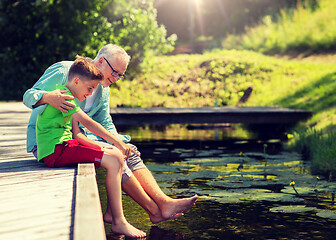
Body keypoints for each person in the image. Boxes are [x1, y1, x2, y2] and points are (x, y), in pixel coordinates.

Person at [23, 44, 198, 224]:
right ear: (100, 61)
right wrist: (48, 97)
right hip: (50, 143)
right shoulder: (66, 71)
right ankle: (152, 210)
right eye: (115, 72)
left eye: (121, 75)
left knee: (127, 151)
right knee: (114, 156)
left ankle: (164, 202)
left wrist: (121, 143)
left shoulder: (103, 87)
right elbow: (29, 95)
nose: (116, 78)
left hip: (77, 136)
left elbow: (103, 120)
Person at [35, 56, 146, 238]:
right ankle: (118, 222)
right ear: (76, 81)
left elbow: (77, 134)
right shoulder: (65, 96)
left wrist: (107, 147)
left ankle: (113, 213)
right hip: (55, 151)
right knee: (113, 160)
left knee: (115, 156)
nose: (90, 93)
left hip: (64, 146)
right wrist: (117, 142)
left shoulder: (70, 96)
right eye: (89, 89)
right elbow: (90, 124)